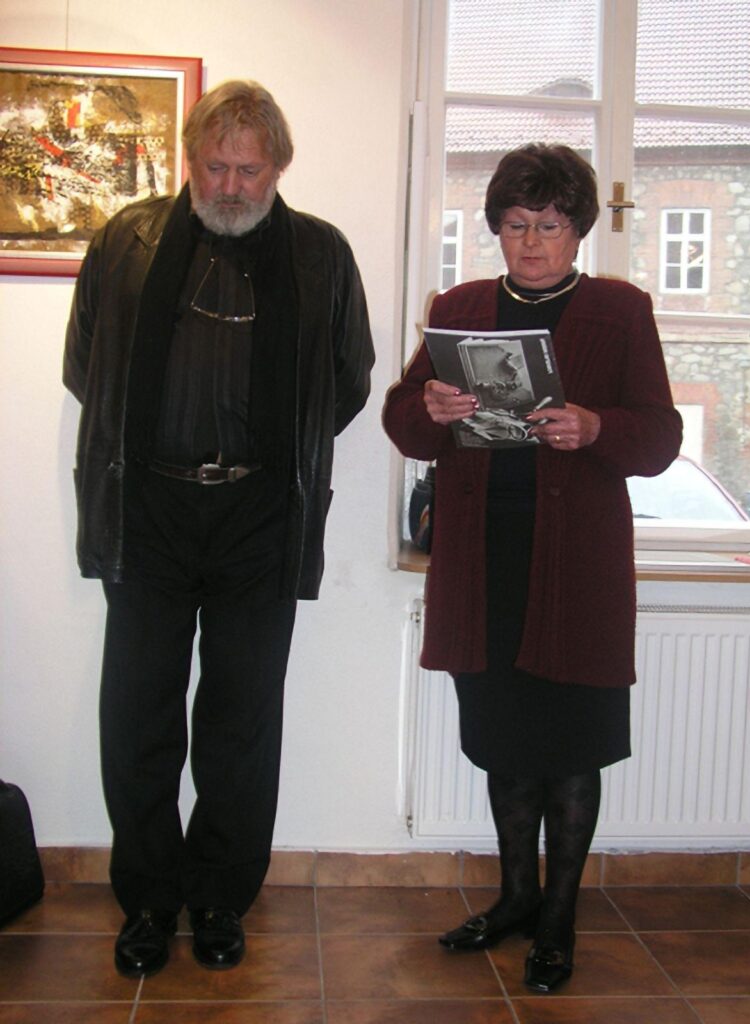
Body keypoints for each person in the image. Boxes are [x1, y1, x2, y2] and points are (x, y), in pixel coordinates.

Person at [64, 80, 374, 977]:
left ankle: (218, 898)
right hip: (147, 511)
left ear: (279, 168)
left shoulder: (321, 253)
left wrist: (263, 454)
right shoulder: (125, 241)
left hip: (260, 517)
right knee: (139, 713)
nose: (230, 186)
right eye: (215, 166)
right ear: (189, 159)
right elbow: (88, 365)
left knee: (241, 721)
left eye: (249, 170)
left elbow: (347, 378)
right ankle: (148, 898)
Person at [383, 144, 681, 993]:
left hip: (577, 570)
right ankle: (515, 897)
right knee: (505, 744)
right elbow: (404, 423)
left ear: (578, 228)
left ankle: (558, 918)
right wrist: (430, 406)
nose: (532, 243)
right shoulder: (460, 308)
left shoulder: (620, 310)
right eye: (516, 225)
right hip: (483, 565)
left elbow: (661, 437)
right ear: (497, 229)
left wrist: (597, 428)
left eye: (549, 225)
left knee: (572, 750)